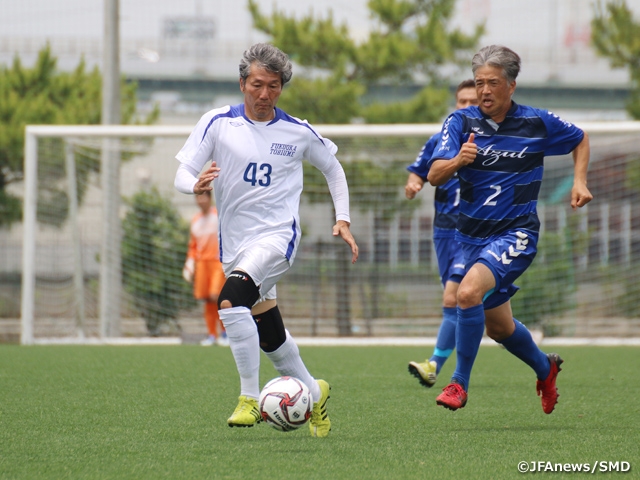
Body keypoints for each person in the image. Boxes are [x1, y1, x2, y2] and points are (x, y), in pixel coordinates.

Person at [174, 43, 359, 436]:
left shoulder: (297, 131)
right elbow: (183, 171)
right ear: (242, 83)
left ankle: (249, 399)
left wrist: (342, 218)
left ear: (280, 89)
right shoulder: (218, 123)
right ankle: (314, 392)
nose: (264, 94)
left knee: (229, 300)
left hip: (278, 239)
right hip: (235, 245)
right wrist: (193, 184)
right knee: (268, 331)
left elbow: (334, 169)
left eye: (273, 86)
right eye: (257, 84)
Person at [427, 45, 592, 414]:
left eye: (493, 83)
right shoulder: (460, 123)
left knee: (466, 293)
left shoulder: (536, 123)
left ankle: (458, 384)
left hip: (516, 234)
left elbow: (579, 138)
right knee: (499, 328)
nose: (485, 90)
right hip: (470, 238)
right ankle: (545, 368)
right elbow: (434, 175)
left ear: (511, 85)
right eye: (480, 83)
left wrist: (579, 181)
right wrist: (458, 160)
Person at [405, 79, 478, 387]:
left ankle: (435, 365)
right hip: (444, 230)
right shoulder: (441, 138)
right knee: (480, 310)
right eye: (461, 102)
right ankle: (538, 360)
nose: (466, 107)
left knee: (452, 298)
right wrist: (414, 183)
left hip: (474, 231)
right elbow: (419, 170)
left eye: (472, 102)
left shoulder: (496, 142)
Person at [182, 190, 229, 347]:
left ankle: (225, 333)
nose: (201, 200)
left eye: (204, 197)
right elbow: (193, 246)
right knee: (207, 299)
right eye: (198, 197)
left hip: (217, 262)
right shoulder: (195, 220)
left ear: (210, 199)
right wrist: (190, 264)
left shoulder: (218, 215)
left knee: (217, 296)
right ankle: (211, 335)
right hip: (202, 264)